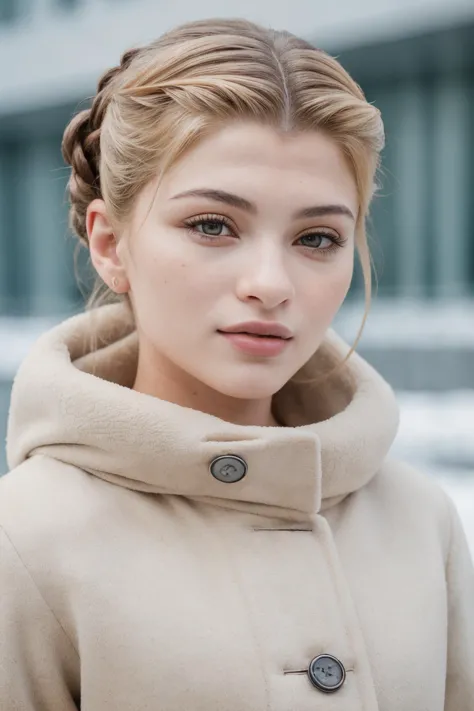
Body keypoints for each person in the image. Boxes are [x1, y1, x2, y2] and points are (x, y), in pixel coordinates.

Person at [0, 16, 473, 711]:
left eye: (316, 236)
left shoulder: (420, 518)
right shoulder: (22, 541)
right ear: (109, 242)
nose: (270, 282)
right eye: (213, 225)